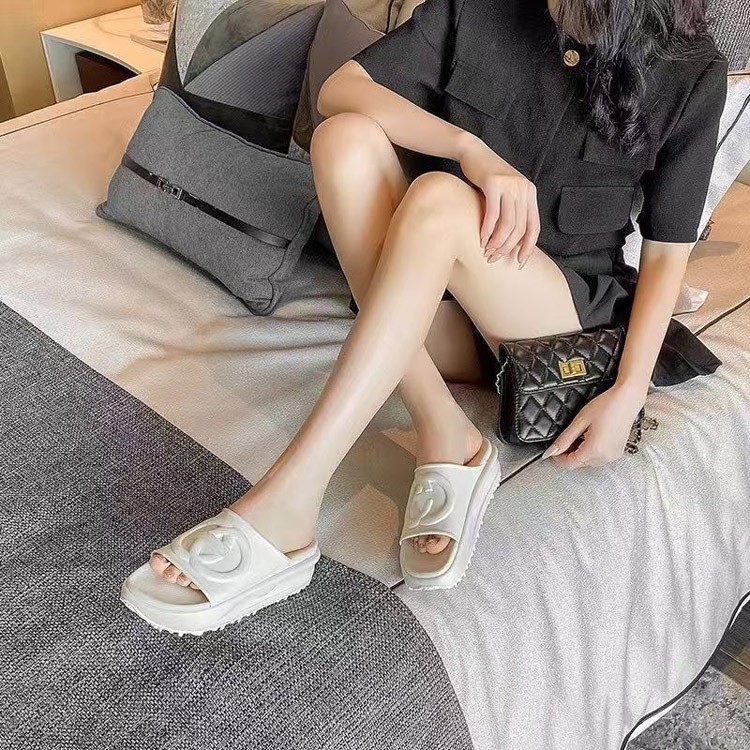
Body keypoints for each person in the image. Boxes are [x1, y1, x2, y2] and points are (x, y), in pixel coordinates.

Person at [121, 0, 727, 634]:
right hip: (441, 302)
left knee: (438, 199)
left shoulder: (690, 70)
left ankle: (289, 501)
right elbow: (341, 90)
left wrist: (629, 391)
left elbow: (667, 255)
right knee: (343, 139)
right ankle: (446, 432)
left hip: (552, 323)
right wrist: (470, 148)